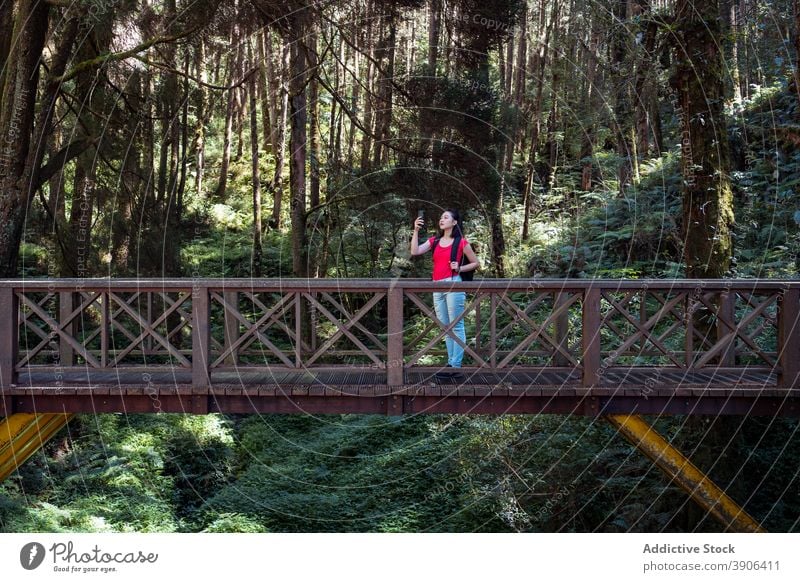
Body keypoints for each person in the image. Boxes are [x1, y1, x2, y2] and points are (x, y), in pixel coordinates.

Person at [410, 209, 480, 378]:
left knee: (456, 325)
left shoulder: (461, 242)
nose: (442, 219)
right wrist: (416, 230)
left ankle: (455, 365)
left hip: (453, 283)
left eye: (446, 217)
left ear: (454, 222)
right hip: (437, 285)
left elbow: (476, 263)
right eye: (441, 217)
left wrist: (460, 268)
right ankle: (451, 364)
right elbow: (415, 251)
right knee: (445, 327)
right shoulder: (434, 241)